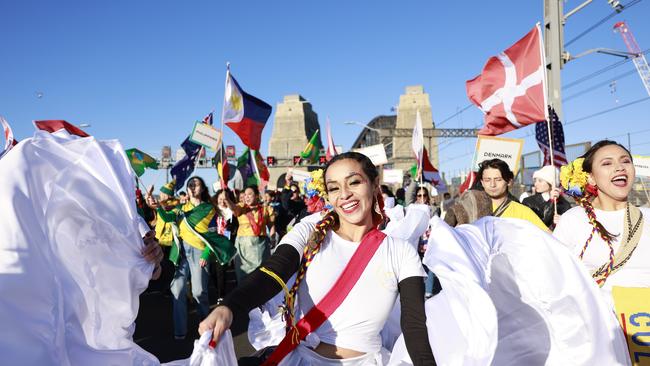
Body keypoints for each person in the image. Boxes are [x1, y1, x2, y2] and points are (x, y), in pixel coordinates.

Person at [199, 152, 435, 365]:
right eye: (334, 188)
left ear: (374, 185)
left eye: (354, 182)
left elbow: (414, 327)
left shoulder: (401, 252)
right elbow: (273, 272)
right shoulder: (309, 231)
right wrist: (229, 306)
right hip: (302, 360)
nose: (344, 195)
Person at [554, 140, 650, 302]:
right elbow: (554, 275)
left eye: (625, 161)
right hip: (600, 321)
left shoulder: (647, 216)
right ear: (591, 178)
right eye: (607, 163)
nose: (620, 167)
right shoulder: (573, 219)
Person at [171, 176, 235, 340]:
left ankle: (205, 327)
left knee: (199, 292)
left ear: (203, 189)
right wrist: (156, 206)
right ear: (187, 189)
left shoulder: (209, 209)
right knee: (177, 288)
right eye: (190, 184)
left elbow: (214, 233)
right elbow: (165, 217)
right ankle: (180, 331)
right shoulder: (180, 209)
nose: (193, 187)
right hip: (183, 252)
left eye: (197, 184)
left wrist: (207, 254)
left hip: (200, 252)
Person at [477, 158, 549, 231]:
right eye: (487, 180)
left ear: (509, 181)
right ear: (482, 182)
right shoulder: (472, 208)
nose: (492, 185)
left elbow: (549, 237)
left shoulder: (523, 212)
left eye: (498, 179)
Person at [226, 185, 276, 281]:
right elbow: (233, 208)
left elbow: (271, 225)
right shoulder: (241, 207)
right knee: (243, 277)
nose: (246, 197)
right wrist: (227, 200)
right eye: (245, 195)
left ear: (257, 196)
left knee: (260, 277)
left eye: (249, 194)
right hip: (244, 247)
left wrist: (273, 238)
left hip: (261, 247)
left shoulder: (266, 209)